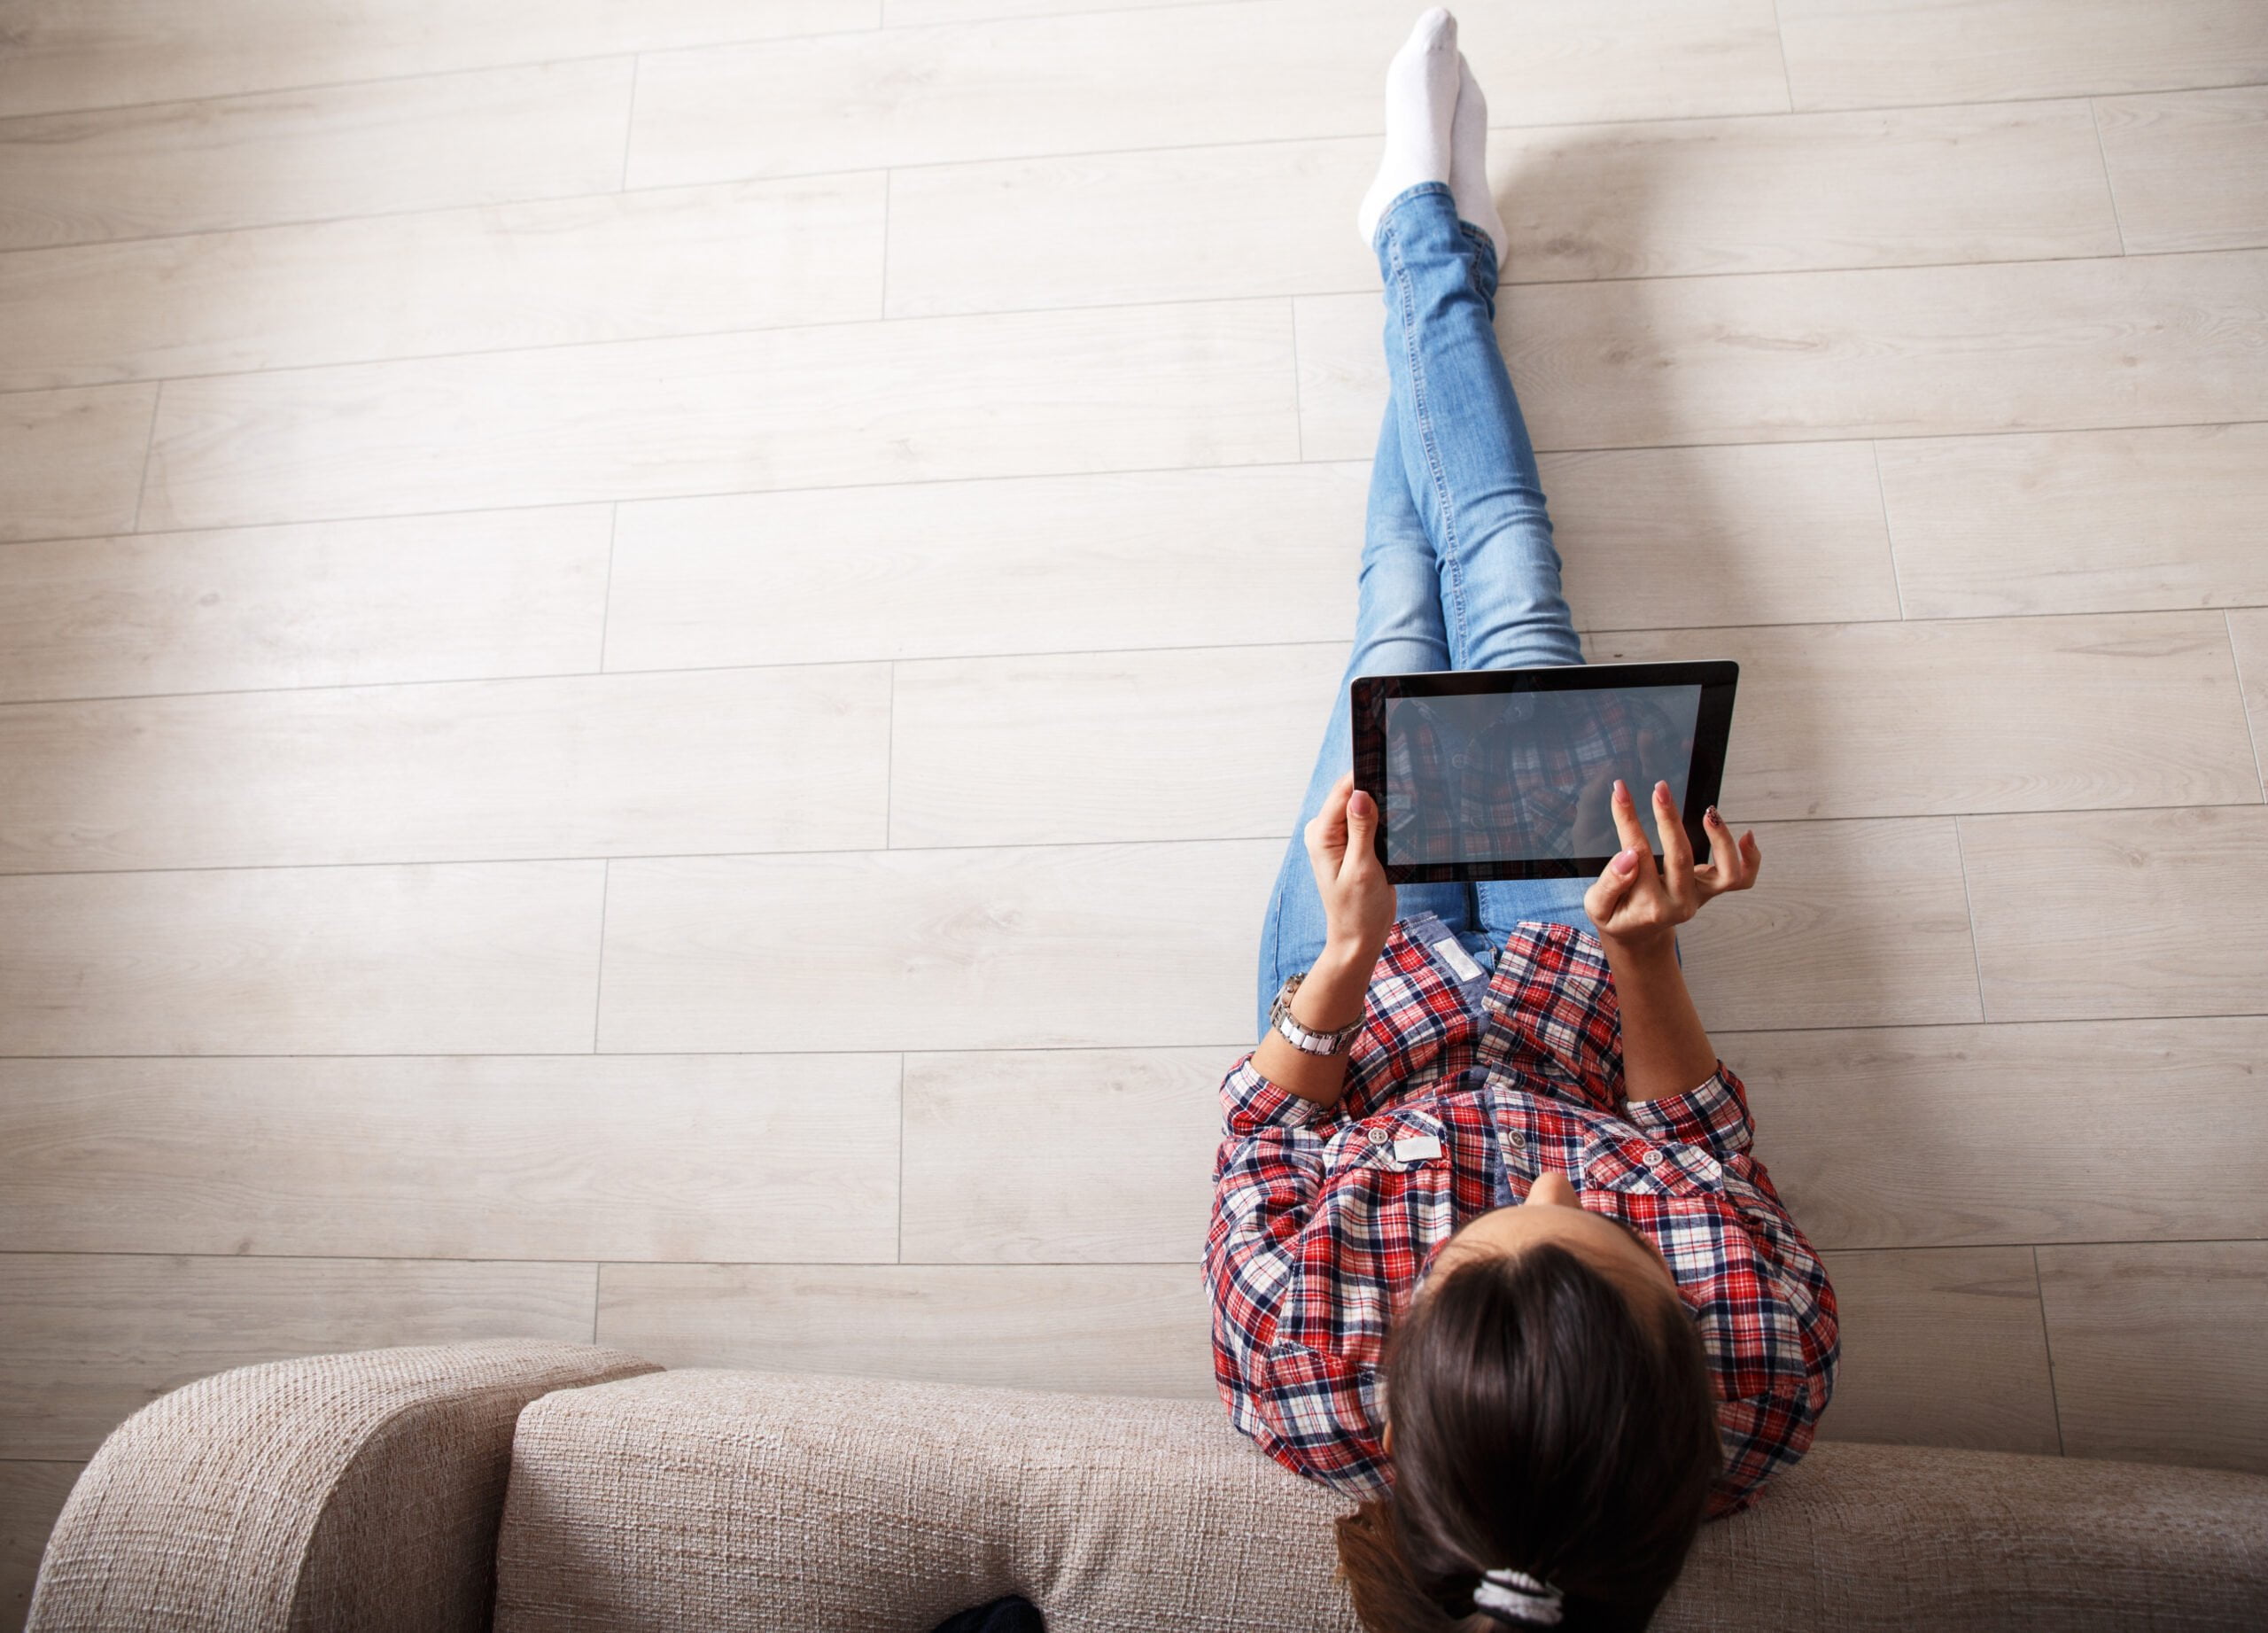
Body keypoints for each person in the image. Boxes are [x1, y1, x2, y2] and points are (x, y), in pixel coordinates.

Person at [1205, 12, 1839, 1630]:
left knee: (1392, 628)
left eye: (1489, 1245)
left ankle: (1432, 240)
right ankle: (1428, 243)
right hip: (1574, 975)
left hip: (1364, 989)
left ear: (1405, 1374)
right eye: (1611, 1238)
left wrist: (1345, 962)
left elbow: (1264, 1145)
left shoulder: (1299, 1383)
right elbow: (1694, 1143)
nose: (1557, 1191)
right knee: (1508, 590)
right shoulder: (1760, 1368)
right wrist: (1646, 956)